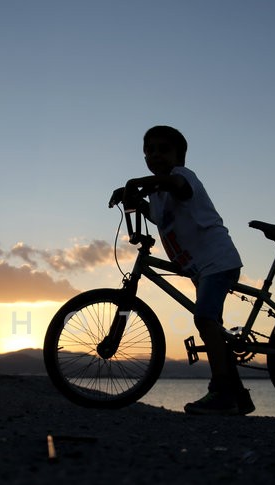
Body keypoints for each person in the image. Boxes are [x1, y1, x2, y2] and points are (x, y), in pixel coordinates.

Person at [109, 125, 254, 416]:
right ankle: (238, 396)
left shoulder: (183, 177)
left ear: (180, 156)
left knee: (204, 318)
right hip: (203, 269)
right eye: (149, 150)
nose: (155, 155)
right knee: (213, 327)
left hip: (218, 262)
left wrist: (139, 181)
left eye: (163, 149)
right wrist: (134, 198)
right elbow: (157, 215)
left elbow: (178, 186)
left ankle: (222, 392)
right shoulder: (160, 195)